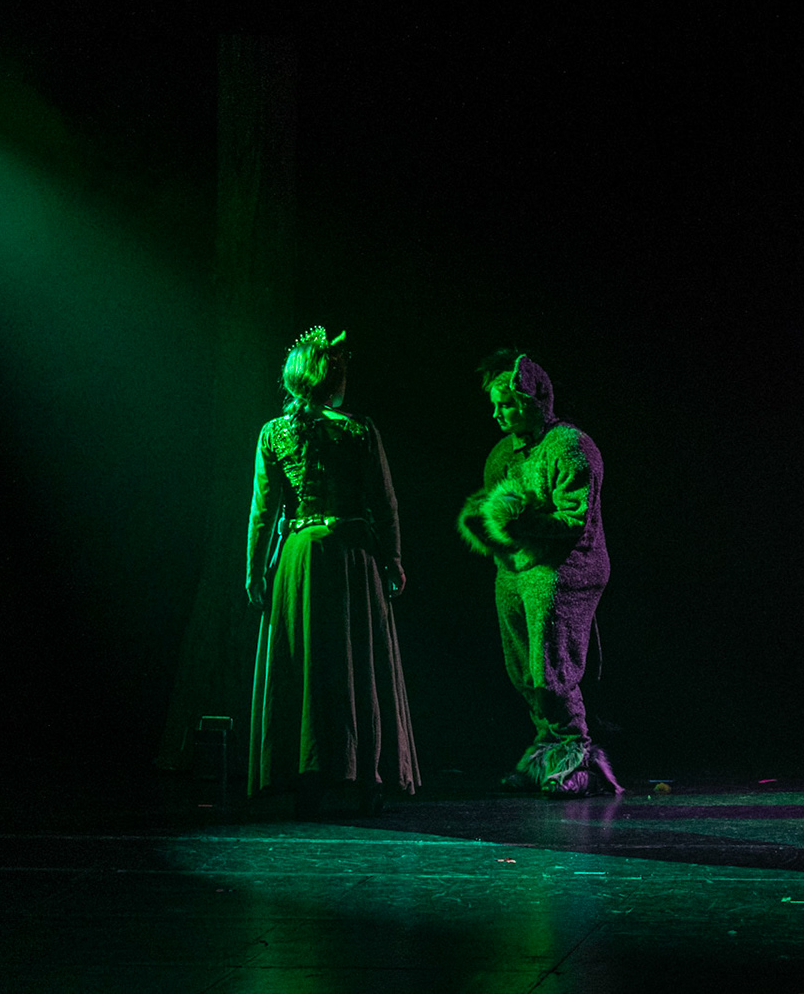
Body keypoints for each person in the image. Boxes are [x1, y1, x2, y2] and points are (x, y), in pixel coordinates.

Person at [246, 327, 418, 817]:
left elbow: (263, 512)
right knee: (354, 660)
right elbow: (384, 503)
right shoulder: (359, 430)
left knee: (306, 663)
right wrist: (393, 558)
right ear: (330, 377)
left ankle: (304, 774)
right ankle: (364, 777)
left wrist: (255, 570)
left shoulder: (273, 432)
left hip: (300, 560)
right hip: (350, 557)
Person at [459, 350, 620, 798]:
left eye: (507, 404)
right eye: (494, 405)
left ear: (534, 400)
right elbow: (496, 521)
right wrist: (487, 527)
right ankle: (546, 751)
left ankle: (575, 755)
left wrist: (517, 520)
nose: (497, 414)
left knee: (549, 668)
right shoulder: (501, 454)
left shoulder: (570, 445)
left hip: (565, 568)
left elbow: (575, 520)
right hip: (515, 567)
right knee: (521, 670)